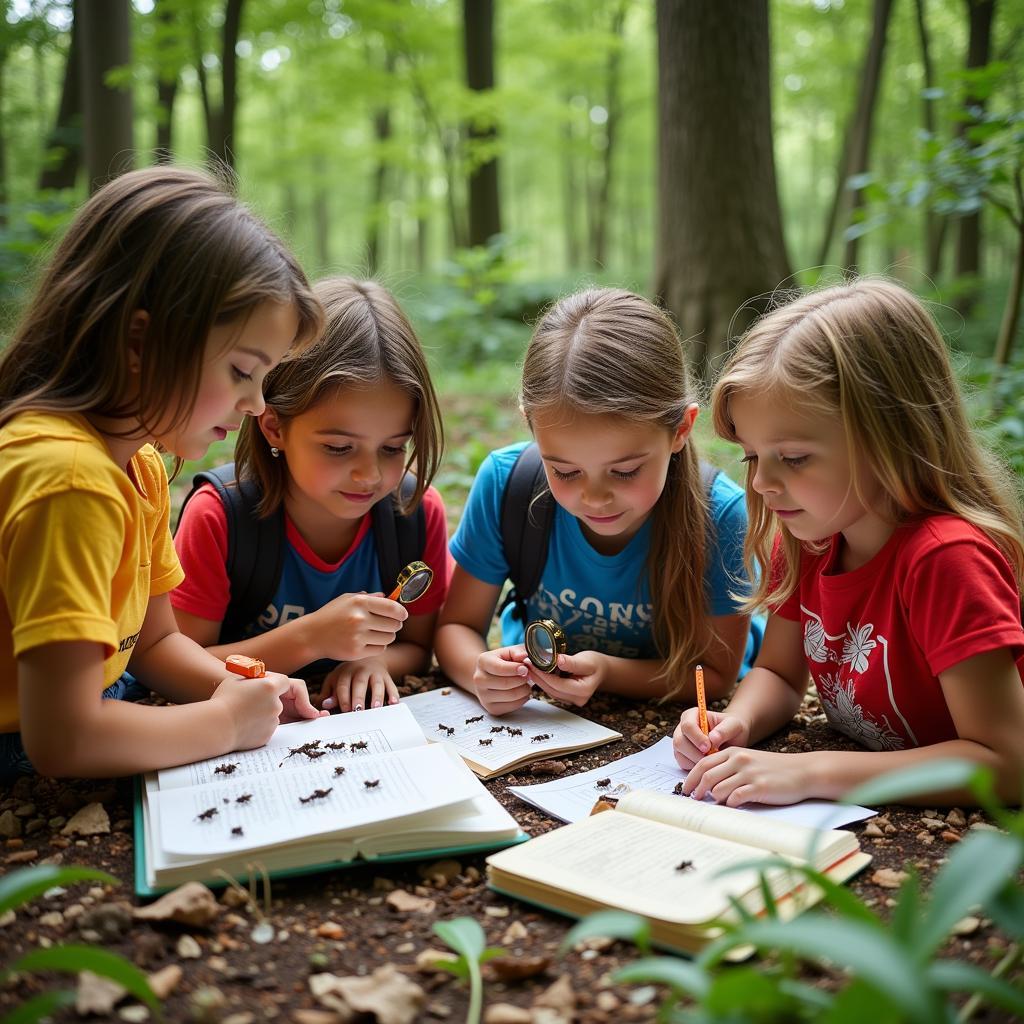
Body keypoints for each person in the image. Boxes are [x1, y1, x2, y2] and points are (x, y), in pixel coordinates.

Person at [0, 166, 327, 782]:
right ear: (140, 342)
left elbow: (150, 647)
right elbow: (64, 739)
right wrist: (226, 724)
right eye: (240, 371)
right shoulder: (69, 480)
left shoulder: (140, 463)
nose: (257, 406)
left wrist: (250, 687)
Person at [674, 278, 1024, 806]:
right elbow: (777, 673)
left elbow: (1007, 762)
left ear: (890, 436)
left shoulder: (946, 560)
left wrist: (810, 773)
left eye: (792, 458)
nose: (763, 482)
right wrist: (734, 724)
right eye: (752, 456)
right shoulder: (807, 540)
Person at [435, 287, 761, 716]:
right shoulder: (505, 484)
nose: (594, 496)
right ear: (532, 427)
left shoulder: (720, 516)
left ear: (680, 429)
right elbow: (457, 626)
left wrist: (609, 672)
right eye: (565, 471)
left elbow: (715, 674)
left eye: (625, 471)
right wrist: (479, 672)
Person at [173, 277, 450, 714]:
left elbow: (418, 645)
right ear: (275, 426)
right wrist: (309, 639)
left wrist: (375, 659)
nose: (370, 474)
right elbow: (179, 667)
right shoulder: (218, 518)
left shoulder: (414, 513)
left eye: (394, 447)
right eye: (338, 447)